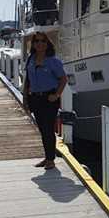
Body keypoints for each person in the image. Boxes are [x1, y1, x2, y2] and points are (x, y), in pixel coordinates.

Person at [23, 32, 67, 169]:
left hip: (49, 98)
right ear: (33, 44)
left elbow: (63, 79)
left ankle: (51, 160)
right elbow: (27, 81)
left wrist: (57, 95)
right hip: (35, 98)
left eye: (43, 41)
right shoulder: (31, 59)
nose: (39, 44)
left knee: (48, 128)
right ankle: (47, 157)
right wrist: (25, 99)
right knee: (42, 129)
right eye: (37, 41)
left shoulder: (53, 61)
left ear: (47, 44)